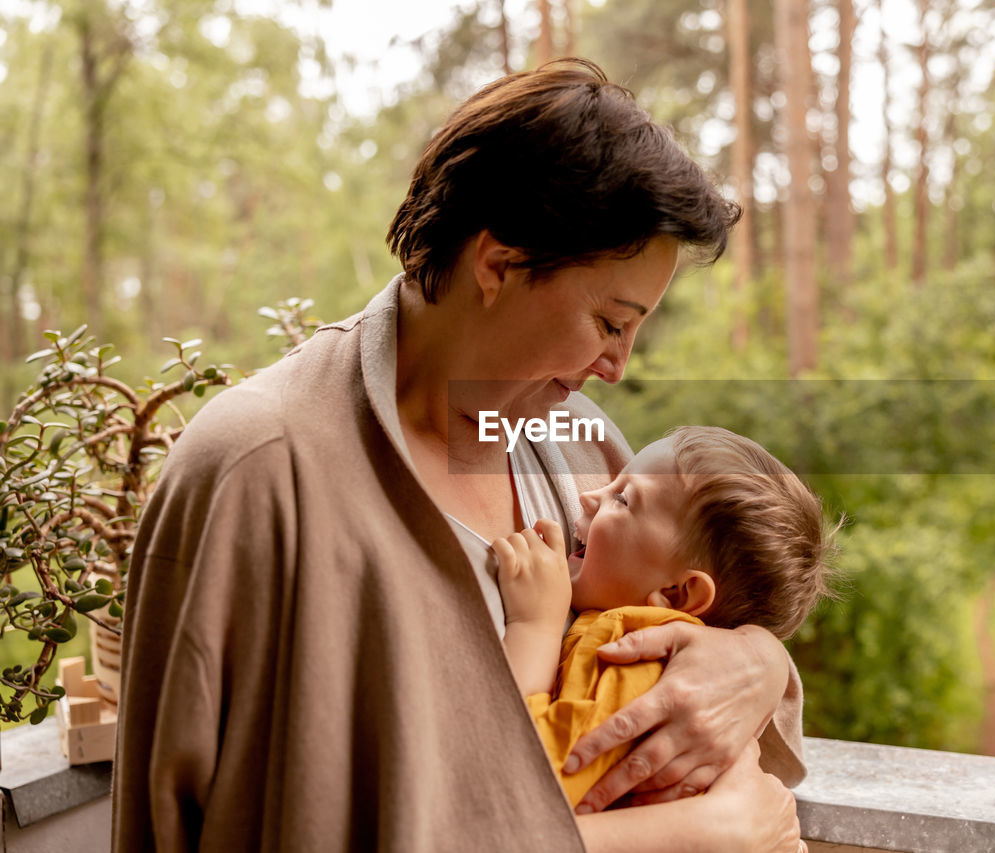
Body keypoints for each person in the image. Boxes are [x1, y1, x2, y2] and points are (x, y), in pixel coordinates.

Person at [113, 59, 809, 852]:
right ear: (500, 262)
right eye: (612, 323)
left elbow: (686, 615)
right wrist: (694, 831)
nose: (619, 365)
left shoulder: (580, 445)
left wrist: (756, 660)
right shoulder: (257, 470)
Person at [495, 426, 834, 808]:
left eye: (622, 499)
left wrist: (534, 625)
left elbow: (528, 780)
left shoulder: (630, 654)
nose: (587, 497)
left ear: (677, 593)